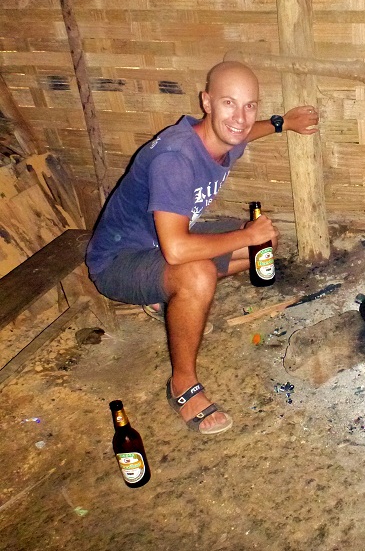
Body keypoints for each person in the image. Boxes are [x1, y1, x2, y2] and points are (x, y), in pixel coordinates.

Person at [86, 61, 319, 435]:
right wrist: (244, 236)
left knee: (266, 244)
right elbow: (177, 251)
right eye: (229, 103)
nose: (240, 118)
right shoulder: (176, 159)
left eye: (249, 106)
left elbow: (245, 134)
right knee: (198, 272)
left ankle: (171, 298)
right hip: (118, 261)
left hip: (162, 246)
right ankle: (183, 383)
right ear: (206, 102)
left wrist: (282, 123)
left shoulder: (225, 136)